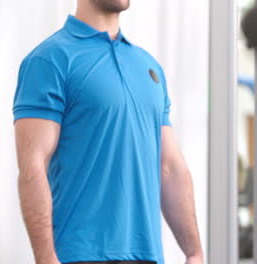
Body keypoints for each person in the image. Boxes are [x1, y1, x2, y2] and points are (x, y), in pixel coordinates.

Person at [13, 1, 203, 264]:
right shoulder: (49, 59)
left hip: (148, 256)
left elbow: (170, 166)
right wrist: (45, 258)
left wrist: (194, 252)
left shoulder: (148, 66)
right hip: (79, 255)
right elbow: (32, 165)